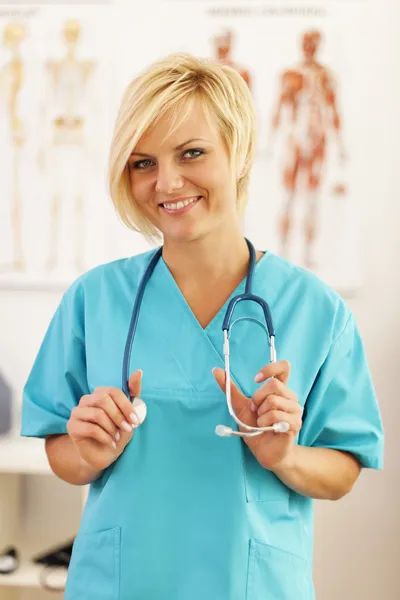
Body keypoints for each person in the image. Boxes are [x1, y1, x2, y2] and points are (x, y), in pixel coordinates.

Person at [20, 52, 384, 600]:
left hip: (251, 585)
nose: (167, 182)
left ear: (238, 155)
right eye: (142, 162)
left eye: (192, 153)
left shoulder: (316, 309)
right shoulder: (94, 300)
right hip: (121, 583)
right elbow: (59, 448)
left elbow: (344, 467)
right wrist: (88, 453)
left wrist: (283, 455)